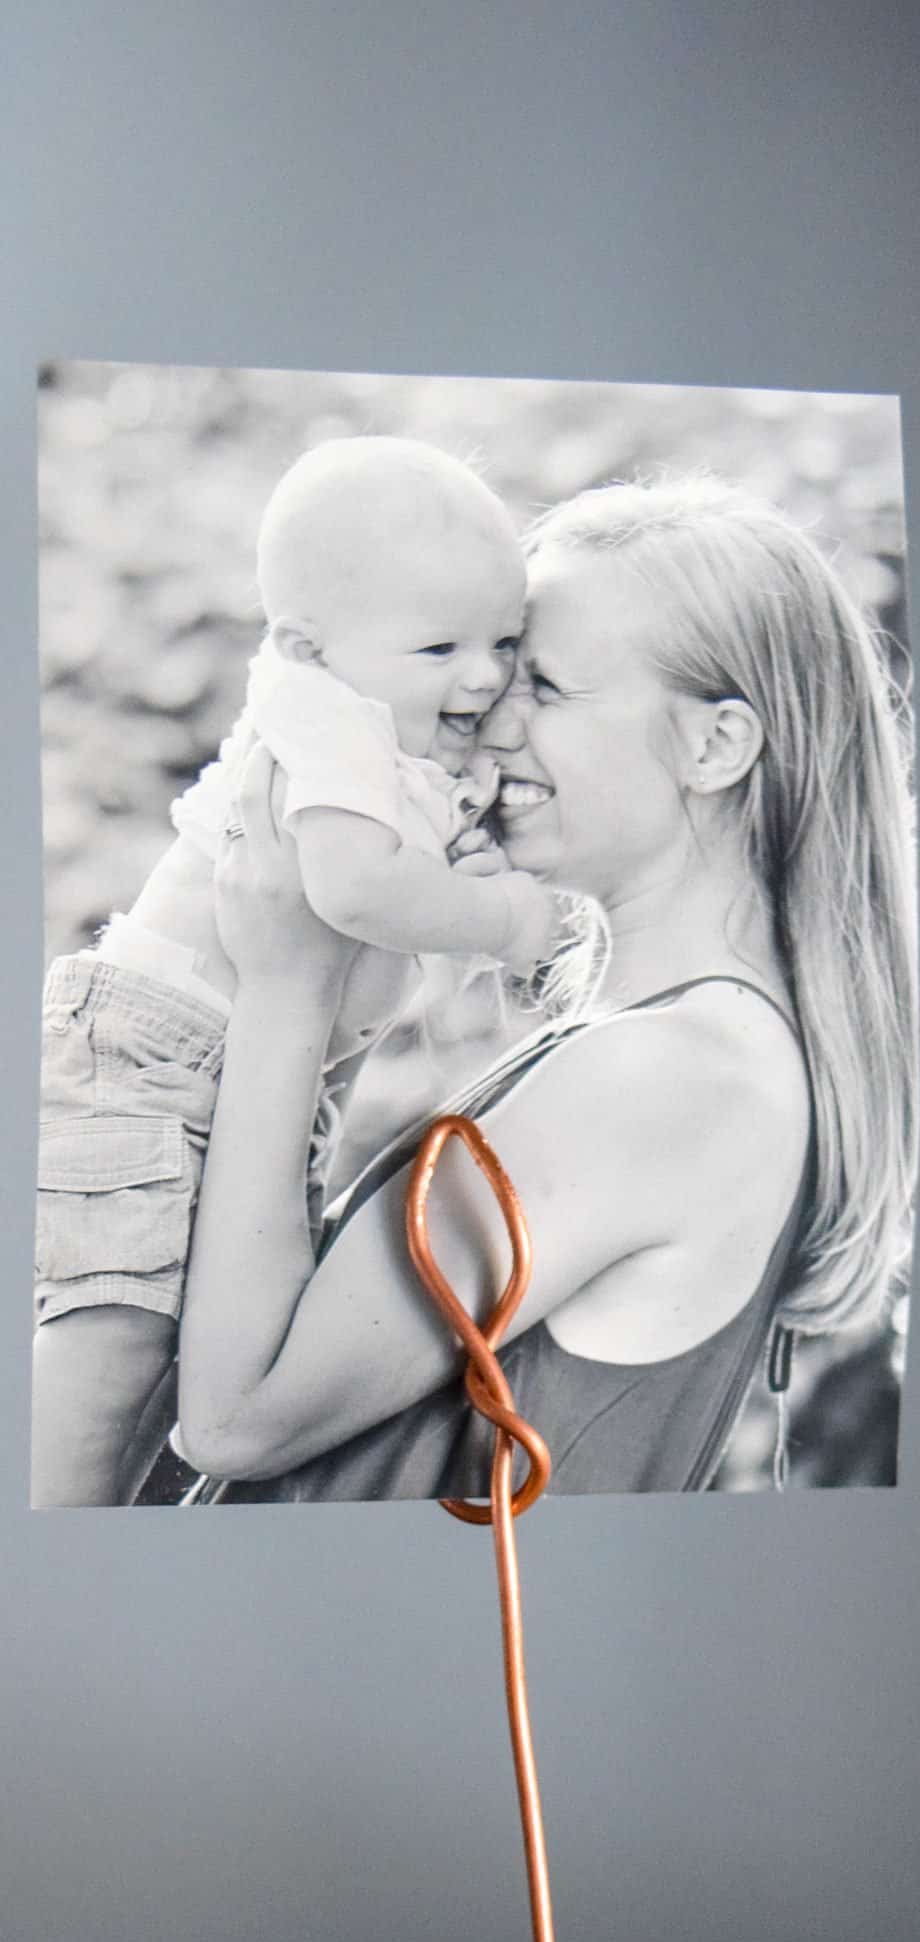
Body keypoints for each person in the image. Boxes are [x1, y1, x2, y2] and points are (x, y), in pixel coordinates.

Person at [171, 475, 919, 1502]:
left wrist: (288, 987)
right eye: (494, 669)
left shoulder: (669, 1074)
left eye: (545, 688)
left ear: (715, 745)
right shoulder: (672, 1048)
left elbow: (232, 1417)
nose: (487, 715)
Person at [32, 434, 558, 1507]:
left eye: (505, 640)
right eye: (440, 649)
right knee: (109, 1351)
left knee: (167, 1371)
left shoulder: (391, 721)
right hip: (147, 1057)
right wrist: (503, 918)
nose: (482, 674)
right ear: (306, 648)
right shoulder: (320, 716)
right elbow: (355, 890)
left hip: (217, 1069)